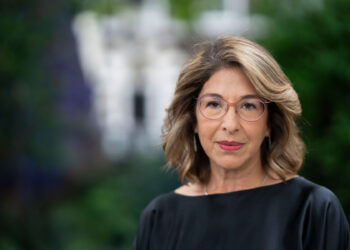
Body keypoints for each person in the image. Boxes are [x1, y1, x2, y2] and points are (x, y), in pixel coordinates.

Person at [132, 36, 350, 250]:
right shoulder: (159, 218)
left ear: (270, 124)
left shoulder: (313, 210)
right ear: (193, 119)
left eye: (249, 106)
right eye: (214, 104)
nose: (230, 124)